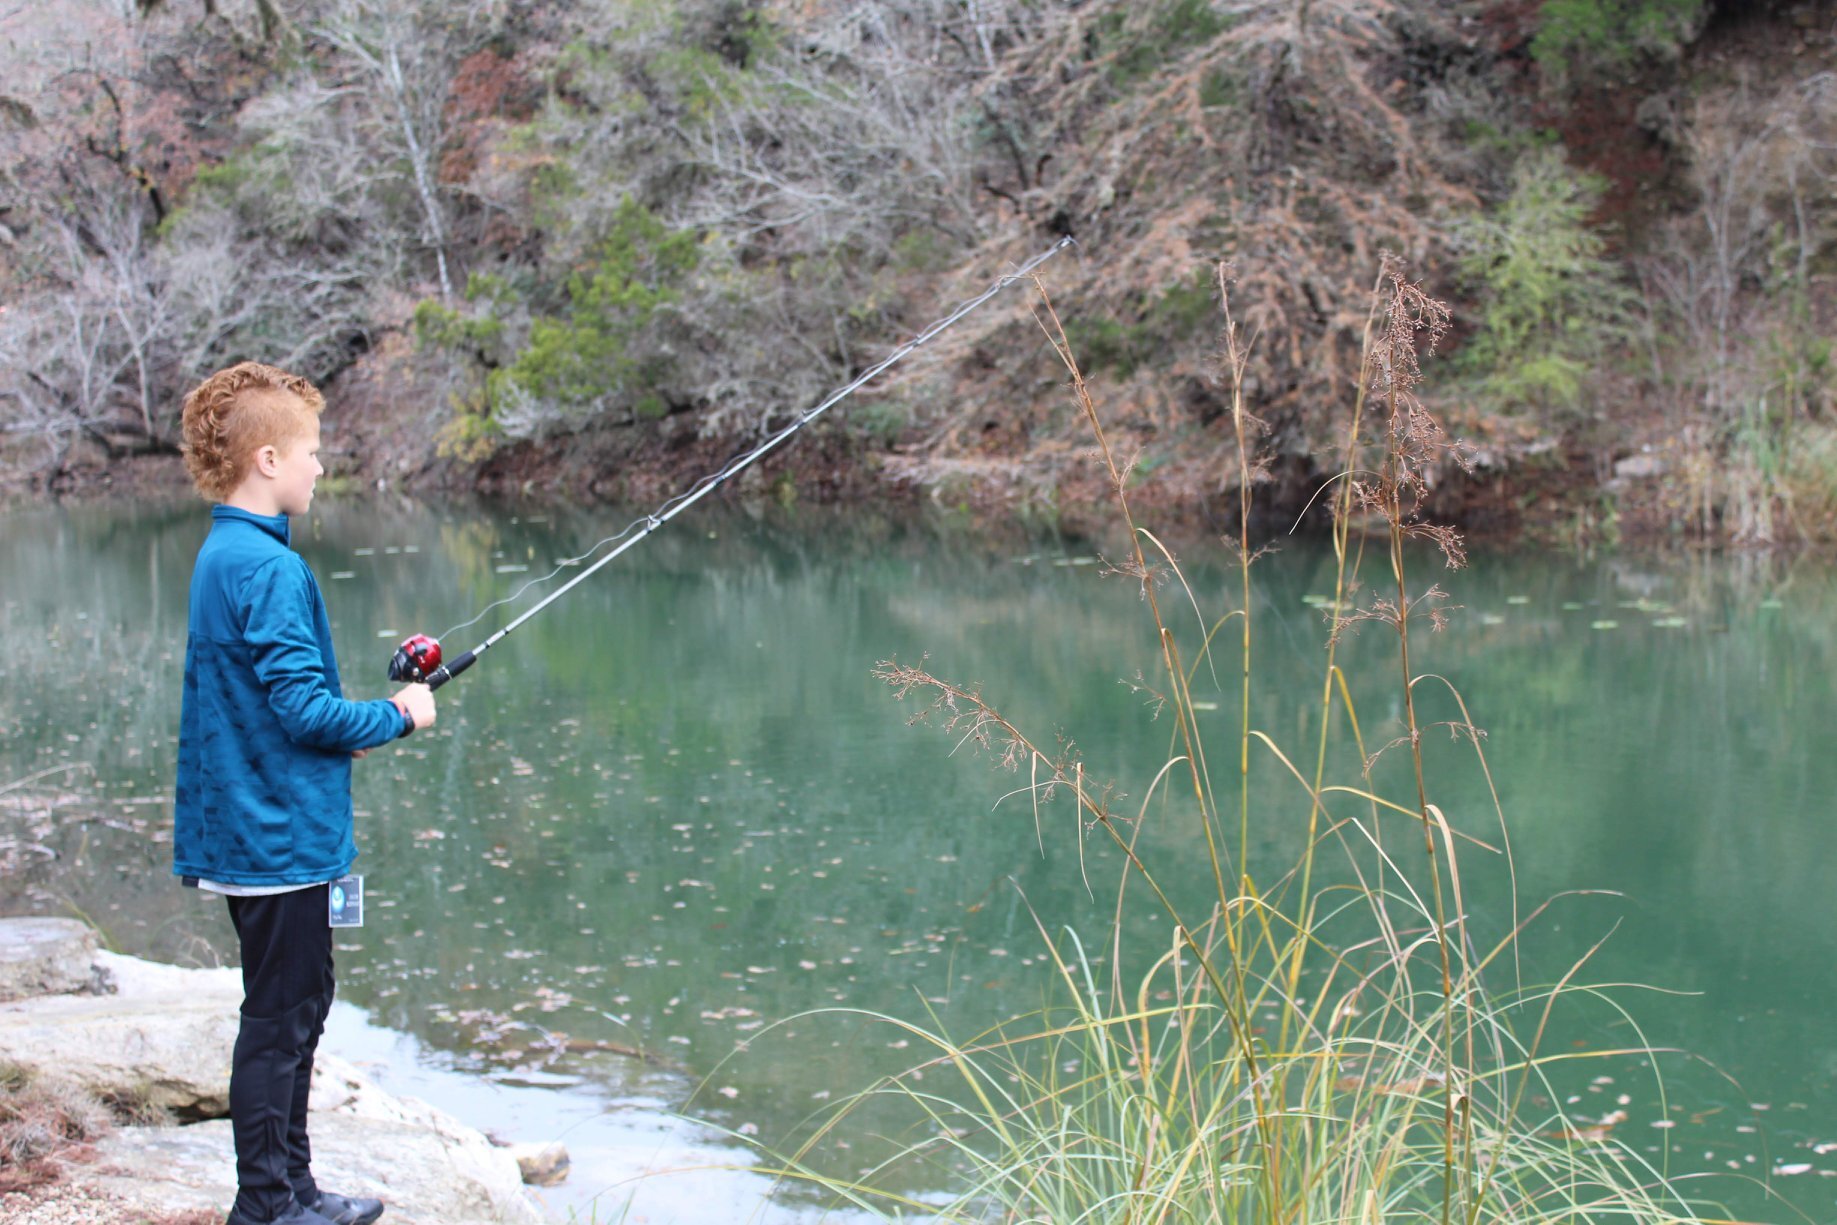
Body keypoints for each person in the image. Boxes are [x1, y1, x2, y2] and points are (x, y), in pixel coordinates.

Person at [171, 361, 435, 1225]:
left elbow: (267, 708)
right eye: (314, 452)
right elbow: (306, 711)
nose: (322, 467)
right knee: (281, 1022)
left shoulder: (225, 554)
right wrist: (398, 714)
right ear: (268, 459)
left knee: (294, 1012)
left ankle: (294, 1191)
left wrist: (356, 721)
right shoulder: (270, 569)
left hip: (257, 827)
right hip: (277, 839)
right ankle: (266, 1205)